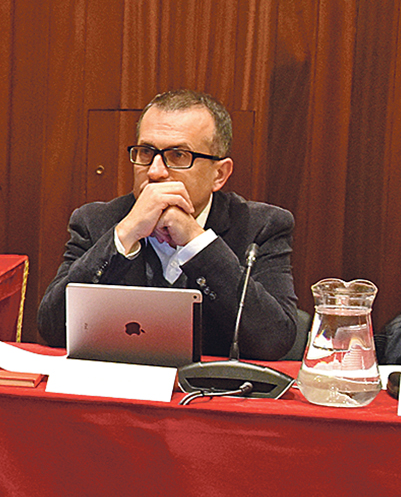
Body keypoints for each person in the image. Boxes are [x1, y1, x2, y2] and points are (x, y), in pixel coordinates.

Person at [37, 89, 298, 360]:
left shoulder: (261, 227)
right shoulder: (96, 222)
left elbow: (274, 341)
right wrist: (124, 236)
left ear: (219, 174)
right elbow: (53, 329)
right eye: (146, 152)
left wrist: (197, 242)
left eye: (178, 155)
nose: (155, 171)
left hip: (210, 385)